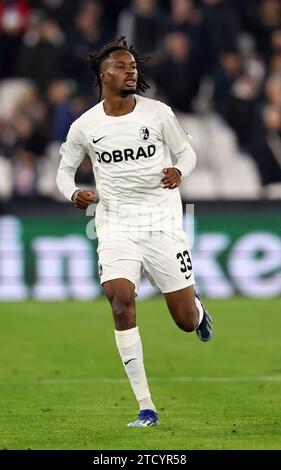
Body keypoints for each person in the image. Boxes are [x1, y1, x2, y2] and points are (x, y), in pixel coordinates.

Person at [56, 36, 213, 428]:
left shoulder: (158, 113)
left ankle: (198, 309)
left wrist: (181, 171)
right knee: (120, 299)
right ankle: (146, 407)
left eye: (134, 67)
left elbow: (188, 153)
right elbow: (62, 172)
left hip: (161, 225)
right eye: (123, 67)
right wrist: (74, 192)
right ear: (103, 74)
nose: (131, 72)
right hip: (114, 226)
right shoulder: (85, 126)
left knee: (184, 321)